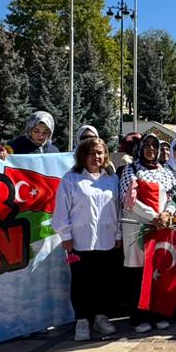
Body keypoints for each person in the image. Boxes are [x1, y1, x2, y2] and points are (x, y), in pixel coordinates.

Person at [54, 135, 122, 340]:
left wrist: (118, 233)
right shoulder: (71, 178)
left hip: (106, 239)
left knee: (103, 280)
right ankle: (82, 320)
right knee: (81, 281)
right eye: (92, 153)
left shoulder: (111, 178)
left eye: (100, 153)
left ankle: (101, 317)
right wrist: (65, 235)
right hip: (79, 241)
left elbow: (117, 207)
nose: (97, 157)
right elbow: (61, 211)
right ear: (83, 156)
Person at [121, 131, 176, 332]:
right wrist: (153, 217)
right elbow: (129, 199)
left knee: (159, 271)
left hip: (162, 228)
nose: (151, 149)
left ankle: (158, 313)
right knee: (139, 274)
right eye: (147, 145)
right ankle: (139, 316)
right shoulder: (131, 170)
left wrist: (167, 214)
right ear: (140, 148)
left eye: (154, 146)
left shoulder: (165, 171)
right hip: (138, 228)